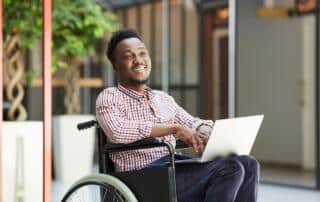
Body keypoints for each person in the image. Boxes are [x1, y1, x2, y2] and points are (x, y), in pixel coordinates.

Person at [96, 28, 259, 202]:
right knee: (230, 168)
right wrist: (174, 129)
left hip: (173, 166)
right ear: (115, 65)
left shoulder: (163, 99)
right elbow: (117, 131)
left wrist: (204, 130)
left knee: (248, 163)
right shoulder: (110, 96)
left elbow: (192, 122)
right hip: (142, 176)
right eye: (129, 56)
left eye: (142, 53)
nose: (138, 60)